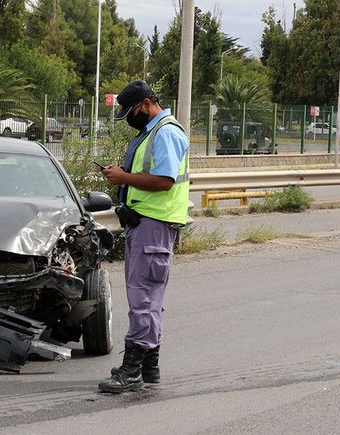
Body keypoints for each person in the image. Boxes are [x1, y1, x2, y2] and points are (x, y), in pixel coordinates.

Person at [98, 80, 190, 393]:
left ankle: (133, 370)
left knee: (143, 298)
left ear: (146, 104)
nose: (129, 118)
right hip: (146, 224)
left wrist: (123, 177)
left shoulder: (165, 132)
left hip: (154, 225)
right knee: (149, 298)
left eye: (131, 111)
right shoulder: (153, 132)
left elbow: (164, 181)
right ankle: (149, 367)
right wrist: (122, 177)